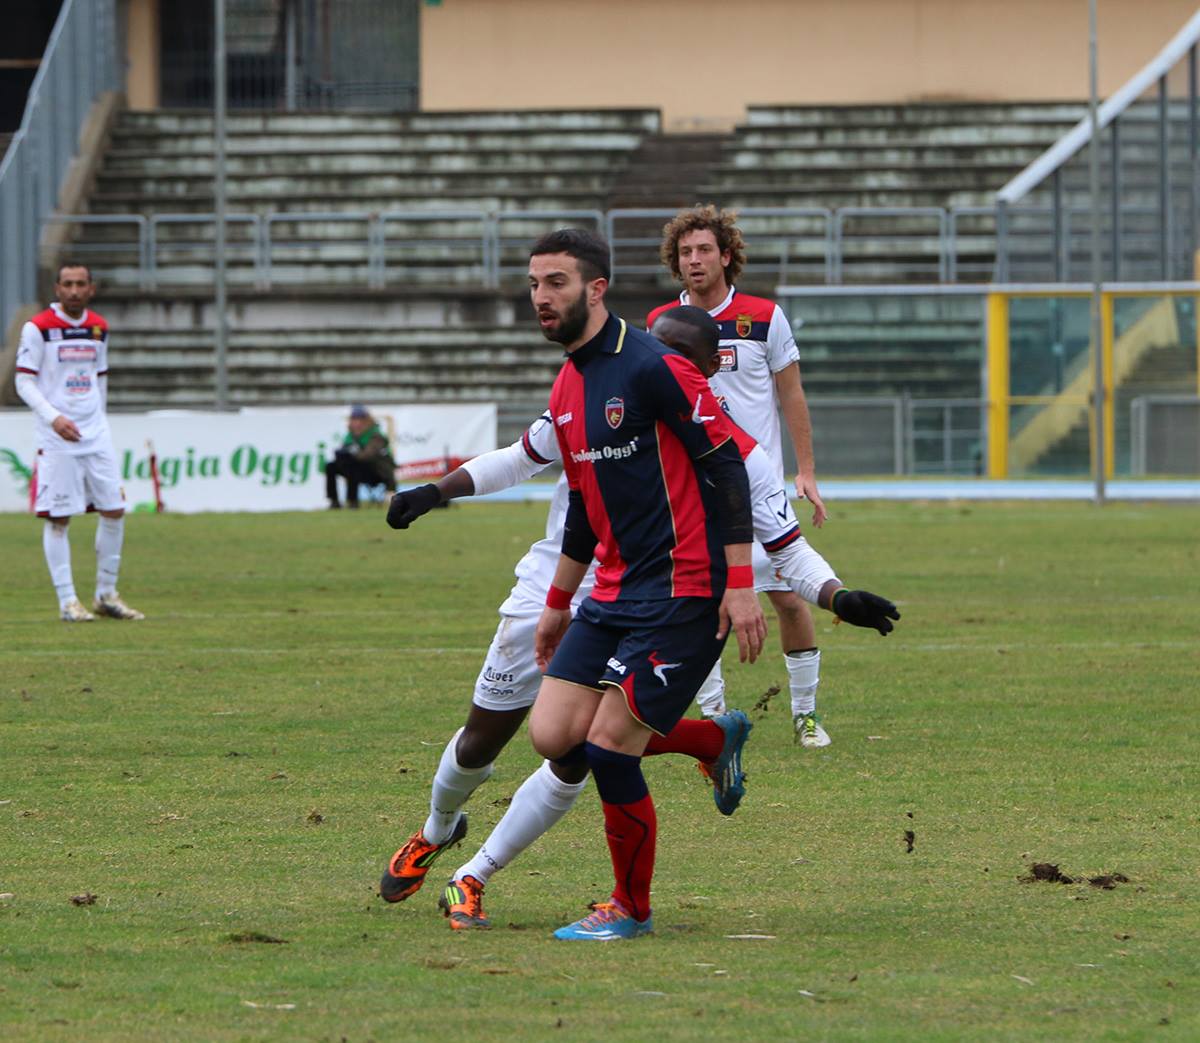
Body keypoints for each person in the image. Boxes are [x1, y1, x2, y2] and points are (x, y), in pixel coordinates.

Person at [378, 304, 898, 935]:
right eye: (658, 350)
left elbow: (783, 543)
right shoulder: (597, 398)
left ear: (710, 370)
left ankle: (491, 880)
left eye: (679, 358)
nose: (661, 364)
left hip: (668, 603)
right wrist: (438, 495)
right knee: (511, 737)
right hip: (571, 589)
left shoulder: (733, 450)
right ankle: (440, 830)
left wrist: (835, 596)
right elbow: (544, 481)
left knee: (591, 752)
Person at [525, 228, 767, 942]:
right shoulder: (567, 385)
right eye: (535, 284)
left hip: (688, 589)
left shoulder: (655, 365)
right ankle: (710, 738)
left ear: (596, 289)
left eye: (557, 283)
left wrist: (742, 582)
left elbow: (725, 466)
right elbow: (580, 514)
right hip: (614, 590)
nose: (543, 297)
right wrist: (556, 606)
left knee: (606, 746)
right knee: (553, 733)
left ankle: (629, 907)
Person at [648, 204, 832, 748]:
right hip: (691, 491)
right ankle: (714, 714)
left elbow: (790, 393)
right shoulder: (661, 325)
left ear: (726, 256)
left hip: (759, 485)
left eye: (705, 250)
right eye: (685, 253)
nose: (694, 260)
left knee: (790, 599)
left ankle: (805, 715)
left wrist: (806, 470)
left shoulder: (763, 316)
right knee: (700, 603)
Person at [14, 262, 143, 622]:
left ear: (91, 288)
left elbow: (98, 377)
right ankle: (68, 602)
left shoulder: (98, 327)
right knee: (59, 518)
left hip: (94, 433)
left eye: (80, 284)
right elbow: (24, 382)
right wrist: (54, 418)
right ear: (57, 288)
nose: (73, 290)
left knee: (114, 508)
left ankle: (106, 595)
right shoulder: (37, 328)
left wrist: (98, 419)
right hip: (57, 436)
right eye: (67, 284)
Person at [324, 404, 395, 509]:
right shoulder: (350, 436)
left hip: (376, 472)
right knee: (331, 466)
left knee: (352, 466)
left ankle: (353, 502)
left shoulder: (376, 435)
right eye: (354, 420)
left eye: (360, 420)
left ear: (367, 421)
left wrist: (352, 453)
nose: (357, 423)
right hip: (356, 469)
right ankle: (334, 501)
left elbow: (367, 456)